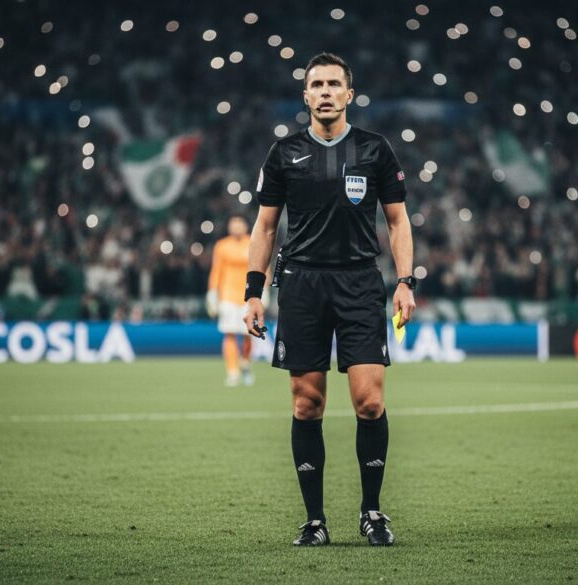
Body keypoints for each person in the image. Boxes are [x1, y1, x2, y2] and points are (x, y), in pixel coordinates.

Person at [243, 53, 416, 547]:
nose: (324, 91)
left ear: (348, 92)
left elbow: (399, 222)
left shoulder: (374, 150)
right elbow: (266, 227)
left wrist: (406, 281)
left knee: (369, 401)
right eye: (315, 84)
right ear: (305, 96)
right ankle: (315, 521)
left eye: (332, 84)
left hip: (361, 282)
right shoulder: (283, 154)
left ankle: (372, 512)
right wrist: (253, 293)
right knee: (306, 404)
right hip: (301, 285)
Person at [207, 215, 263, 386]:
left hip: (249, 295)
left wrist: (264, 290)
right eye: (233, 224)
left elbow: (262, 266)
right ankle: (232, 372)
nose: (236, 227)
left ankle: (245, 363)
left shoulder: (253, 242)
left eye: (239, 223)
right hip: (228, 296)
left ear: (246, 226)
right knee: (229, 334)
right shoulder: (222, 246)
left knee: (249, 334)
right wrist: (212, 293)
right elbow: (217, 270)